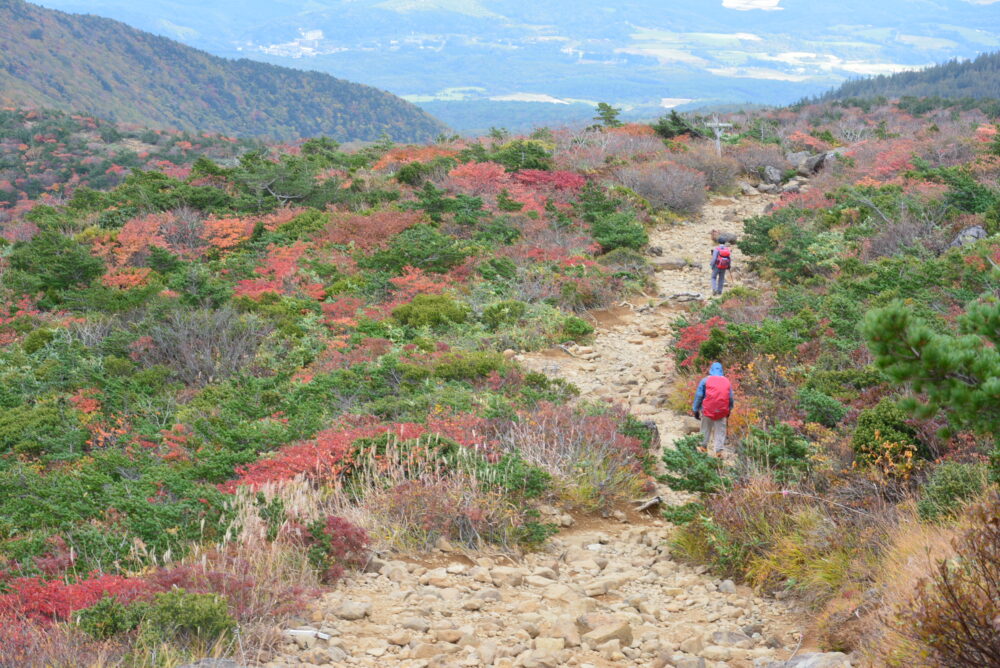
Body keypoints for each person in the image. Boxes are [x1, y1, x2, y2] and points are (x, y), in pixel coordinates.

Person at [692, 362, 734, 457]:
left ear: (711, 370)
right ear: (722, 370)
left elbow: (699, 396)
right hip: (722, 410)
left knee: (705, 428)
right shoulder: (727, 381)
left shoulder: (705, 380)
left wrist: (695, 409)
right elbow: (730, 397)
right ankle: (719, 451)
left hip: (707, 410)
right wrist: (729, 409)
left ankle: (703, 447)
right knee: (720, 430)